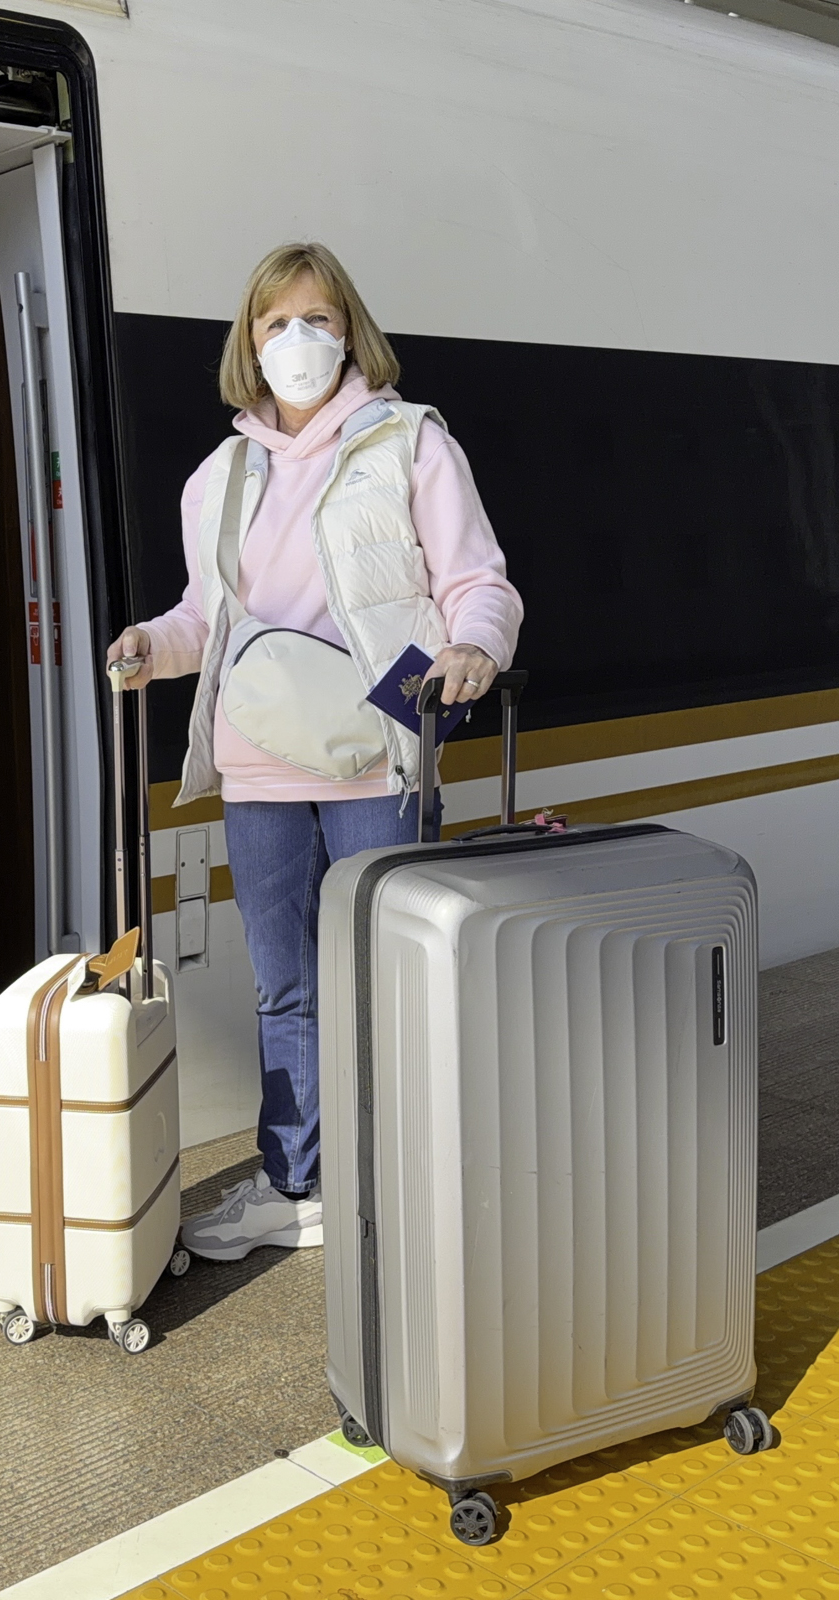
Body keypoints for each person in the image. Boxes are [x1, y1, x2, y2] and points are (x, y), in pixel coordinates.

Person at [107, 241, 522, 1261]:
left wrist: (473, 647)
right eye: (274, 320)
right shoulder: (222, 475)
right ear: (249, 342)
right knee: (284, 985)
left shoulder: (409, 443)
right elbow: (208, 619)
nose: (297, 338)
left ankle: (397, 1176)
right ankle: (296, 1186)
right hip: (258, 762)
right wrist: (147, 648)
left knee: (391, 975)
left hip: (378, 747)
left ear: (351, 330)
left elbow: (478, 580)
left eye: (319, 318)